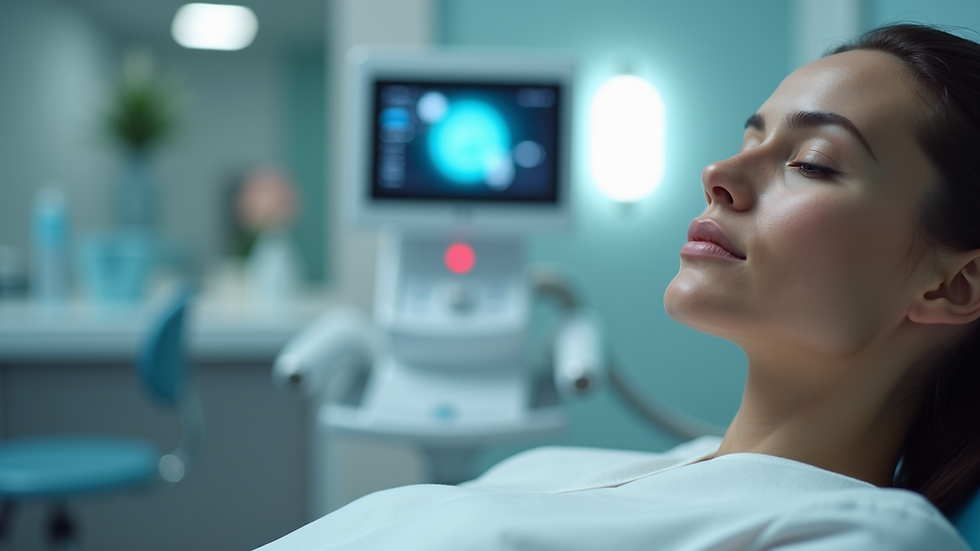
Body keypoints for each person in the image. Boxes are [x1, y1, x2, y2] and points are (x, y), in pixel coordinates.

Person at [257, 24, 980, 550]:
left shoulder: (861, 535)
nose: (719, 174)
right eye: (750, 137)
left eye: (814, 162)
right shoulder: (563, 467)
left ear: (953, 286)